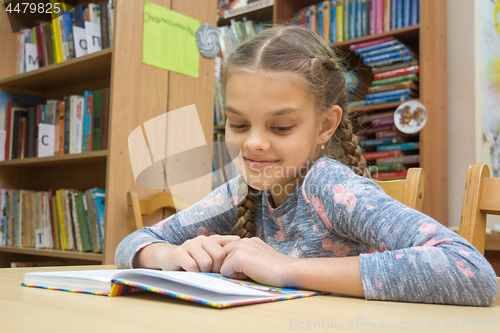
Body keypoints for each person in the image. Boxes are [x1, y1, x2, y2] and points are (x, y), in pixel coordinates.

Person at [115, 26, 499, 306]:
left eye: (280, 127)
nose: (254, 143)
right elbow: (132, 243)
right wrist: (166, 256)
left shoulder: (330, 186)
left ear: (325, 125)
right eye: (238, 124)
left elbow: (470, 270)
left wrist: (287, 270)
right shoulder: (242, 191)